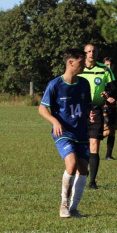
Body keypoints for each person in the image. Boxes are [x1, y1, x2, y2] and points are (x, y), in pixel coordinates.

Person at [38, 48, 91, 219]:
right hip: (64, 132)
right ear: (71, 62)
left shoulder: (84, 83)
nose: (84, 65)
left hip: (81, 132)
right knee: (72, 164)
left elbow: (87, 106)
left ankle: (74, 208)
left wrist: (91, 114)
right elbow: (42, 108)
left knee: (83, 169)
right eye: (81, 62)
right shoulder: (55, 85)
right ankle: (63, 205)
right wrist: (55, 121)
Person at [79, 43, 117, 188]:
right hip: (80, 112)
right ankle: (82, 173)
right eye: (88, 51)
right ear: (84, 54)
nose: (91, 54)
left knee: (94, 144)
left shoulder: (104, 69)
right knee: (82, 146)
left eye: (94, 51)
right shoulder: (78, 68)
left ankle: (92, 182)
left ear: (97, 53)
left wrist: (108, 94)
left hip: (96, 111)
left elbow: (114, 88)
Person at [101, 56, 117, 160]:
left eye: (111, 65)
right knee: (106, 132)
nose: (109, 67)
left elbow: (114, 93)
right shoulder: (102, 77)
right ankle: (91, 140)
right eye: (107, 65)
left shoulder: (114, 78)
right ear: (103, 65)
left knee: (112, 131)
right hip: (104, 106)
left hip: (113, 107)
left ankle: (108, 155)